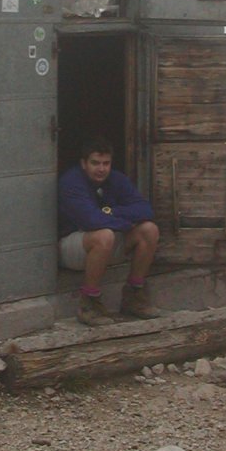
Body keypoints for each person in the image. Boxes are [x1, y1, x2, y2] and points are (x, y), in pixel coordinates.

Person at [58, 137, 162, 326]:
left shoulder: (115, 179)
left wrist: (111, 211)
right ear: (83, 163)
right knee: (104, 234)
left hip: (108, 240)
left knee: (149, 229)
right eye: (95, 163)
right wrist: (125, 222)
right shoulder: (71, 182)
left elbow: (145, 210)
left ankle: (134, 295)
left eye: (106, 163)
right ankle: (89, 303)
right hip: (71, 247)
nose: (101, 169)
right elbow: (90, 220)